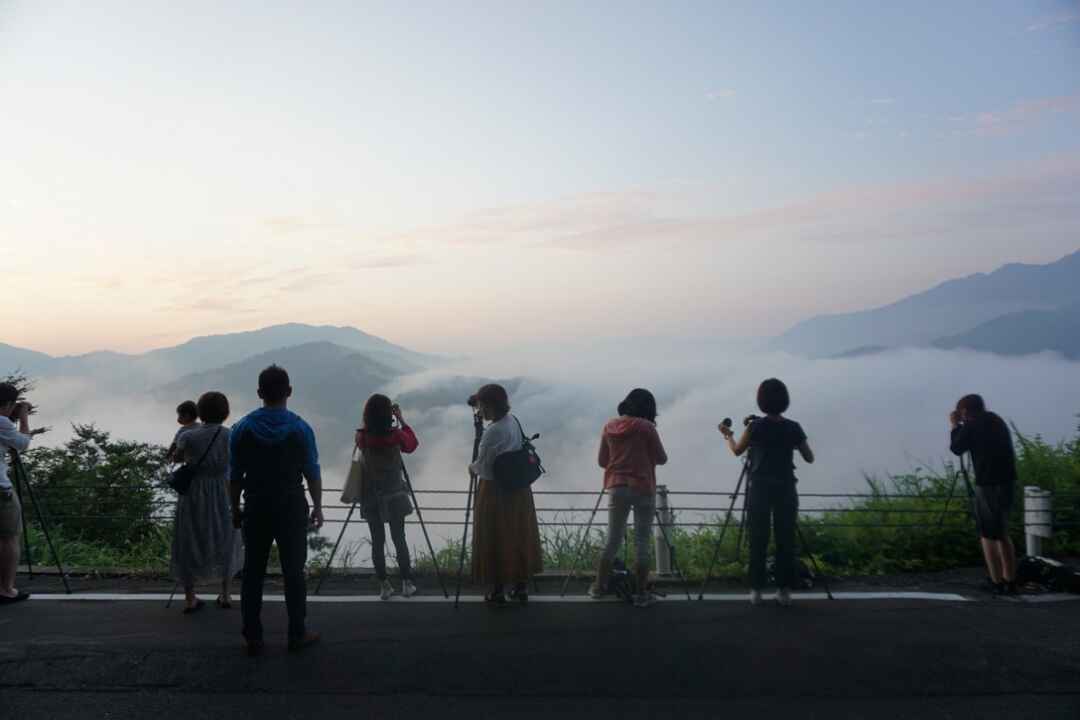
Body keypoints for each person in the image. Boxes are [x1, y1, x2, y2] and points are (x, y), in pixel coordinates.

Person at [230, 365, 323, 655]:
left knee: (253, 571)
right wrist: (318, 506)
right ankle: (297, 633)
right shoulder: (300, 428)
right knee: (293, 571)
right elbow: (312, 472)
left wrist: (234, 508)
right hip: (291, 505)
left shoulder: (242, 429)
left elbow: (234, 476)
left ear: (259, 393)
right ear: (289, 392)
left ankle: (252, 636)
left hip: (256, 505)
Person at [719, 378, 814, 607]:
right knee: (785, 540)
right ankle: (784, 591)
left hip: (760, 488)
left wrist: (727, 434)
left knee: (758, 539)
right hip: (786, 487)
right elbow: (809, 457)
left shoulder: (755, 427)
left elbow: (737, 450)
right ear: (785, 401)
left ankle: (756, 591)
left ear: (761, 401)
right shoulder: (794, 427)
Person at [589, 388, 668, 608]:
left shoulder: (609, 426)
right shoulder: (647, 427)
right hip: (643, 487)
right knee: (642, 542)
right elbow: (662, 458)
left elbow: (602, 461)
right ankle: (641, 594)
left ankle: (598, 588)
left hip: (617, 486)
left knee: (612, 540)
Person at [468, 383, 543, 605]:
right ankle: (520, 587)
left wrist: (471, 468)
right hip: (518, 489)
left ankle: (497, 589)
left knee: (495, 536)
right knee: (517, 534)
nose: (479, 410)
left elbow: (484, 467)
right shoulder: (513, 421)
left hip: (494, 491)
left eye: (481, 405)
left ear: (489, 406)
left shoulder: (492, 431)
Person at [170, 391, 243, 613]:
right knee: (225, 538)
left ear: (199, 413)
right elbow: (236, 463)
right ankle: (226, 593)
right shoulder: (231, 435)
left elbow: (177, 458)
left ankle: (190, 597)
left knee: (190, 538)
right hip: (222, 490)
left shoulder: (188, 436)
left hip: (194, 492)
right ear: (226, 413)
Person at [949, 394, 1018, 595]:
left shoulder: (971, 425)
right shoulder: (996, 420)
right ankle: (1010, 580)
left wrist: (955, 425)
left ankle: (996, 582)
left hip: (988, 484)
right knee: (1002, 532)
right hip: (1008, 481)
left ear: (965, 411)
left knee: (987, 534)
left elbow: (956, 448)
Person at [354, 394, 419, 600]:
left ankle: (384, 586)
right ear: (388, 414)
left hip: (372, 496)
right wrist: (401, 419)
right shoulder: (397, 436)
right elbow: (412, 445)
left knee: (377, 541)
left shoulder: (362, 437)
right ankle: (407, 584)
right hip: (395, 494)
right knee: (399, 539)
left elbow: (362, 440)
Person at [0, 383, 37, 605]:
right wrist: (23, 417)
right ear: (8, 404)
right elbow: (23, 444)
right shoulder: (1, 421)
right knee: (9, 539)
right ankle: (5, 589)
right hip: (1, 490)